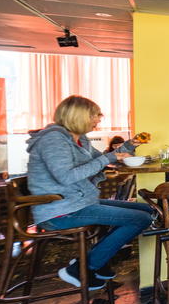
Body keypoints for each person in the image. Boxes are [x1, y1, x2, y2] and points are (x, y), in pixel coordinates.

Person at [26, 95, 153, 289]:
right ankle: (84, 267)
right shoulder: (53, 140)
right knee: (140, 219)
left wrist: (130, 145)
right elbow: (66, 177)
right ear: (77, 116)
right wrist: (108, 158)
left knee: (148, 211)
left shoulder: (79, 140)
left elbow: (102, 160)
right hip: (60, 210)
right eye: (95, 115)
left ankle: (96, 260)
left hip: (80, 202)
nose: (98, 119)